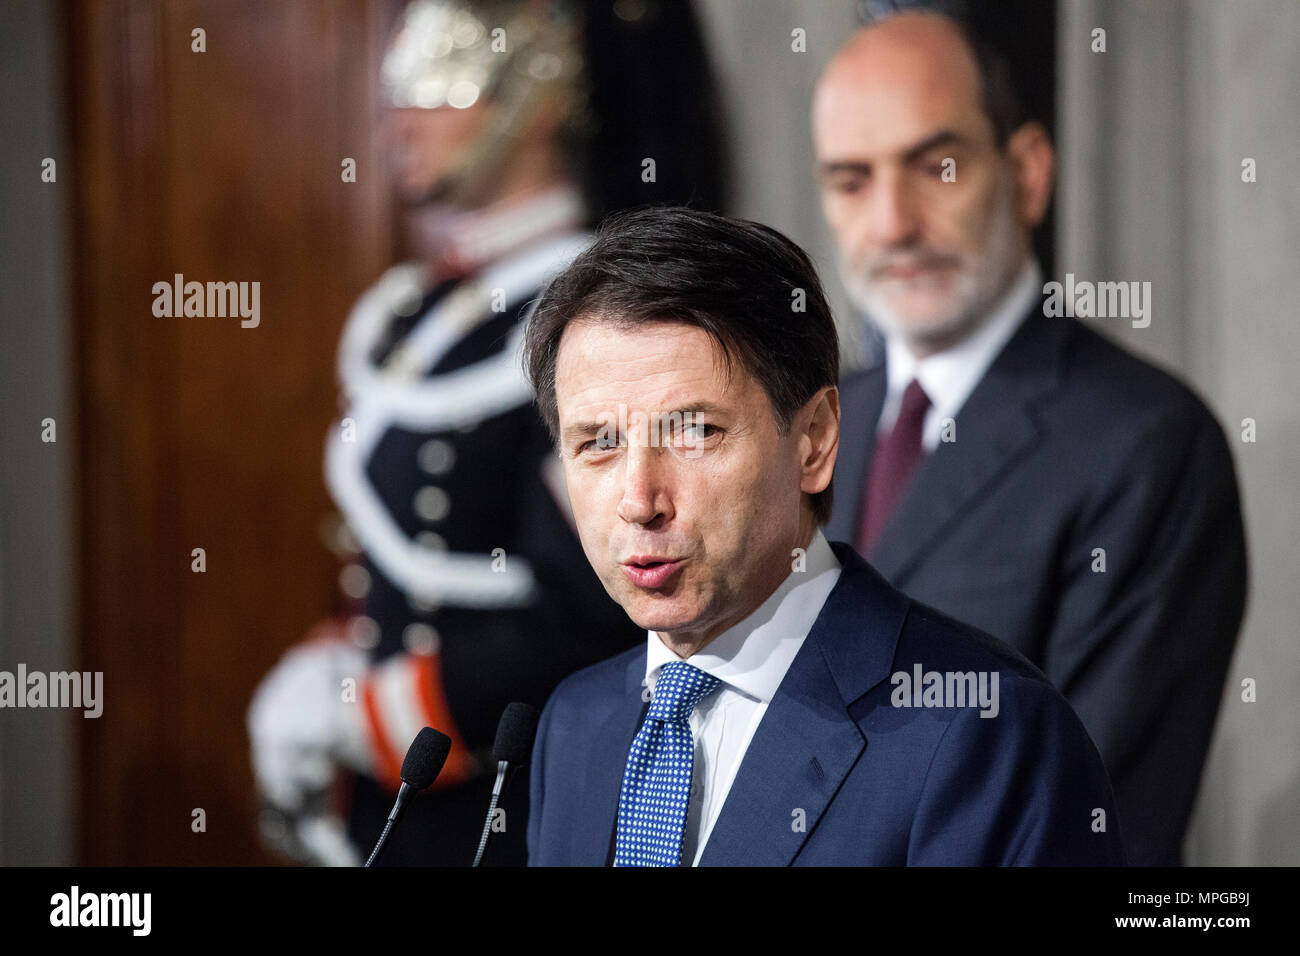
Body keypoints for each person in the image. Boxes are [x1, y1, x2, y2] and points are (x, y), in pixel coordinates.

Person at [247, 0, 724, 866]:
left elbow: (607, 609)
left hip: (512, 807)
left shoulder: (601, 315)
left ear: (536, 94)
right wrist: (332, 668)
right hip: (405, 804)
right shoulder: (427, 311)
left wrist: (374, 713)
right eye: (399, 82)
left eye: (441, 77)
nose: (400, 116)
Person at [522, 205, 1125, 866]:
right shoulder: (574, 724)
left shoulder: (982, 731)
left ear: (813, 441)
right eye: (598, 444)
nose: (639, 501)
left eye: (695, 432)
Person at [813, 7, 1247, 865]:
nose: (893, 222)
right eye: (852, 180)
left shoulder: (1147, 442)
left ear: (1029, 172)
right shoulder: (816, 421)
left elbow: (1086, 815)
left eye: (935, 164)